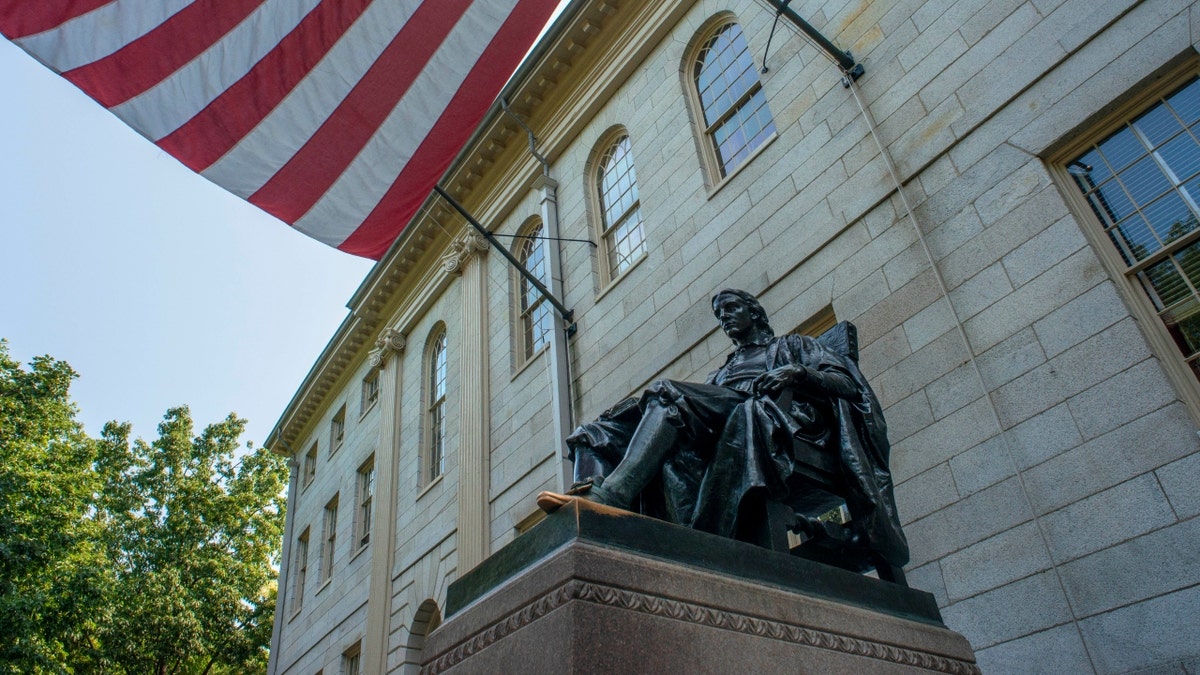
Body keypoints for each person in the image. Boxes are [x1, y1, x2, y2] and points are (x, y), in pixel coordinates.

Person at [537, 289, 908, 570]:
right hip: (728, 421)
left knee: (666, 394)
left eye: (731, 309)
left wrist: (796, 372)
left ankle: (613, 498)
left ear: (755, 312)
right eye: (720, 314)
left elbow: (847, 383)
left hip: (774, 419)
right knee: (597, 428)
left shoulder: (792, 345)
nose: (725, 318)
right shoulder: (722, 372)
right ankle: (586, 503)